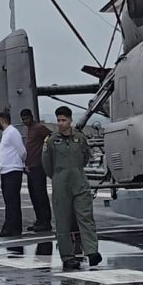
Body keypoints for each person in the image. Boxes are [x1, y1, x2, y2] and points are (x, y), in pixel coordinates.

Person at [42, 105, 102, 270]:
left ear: (70, 120)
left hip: (79, 182)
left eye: (63, 120)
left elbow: (85, 157)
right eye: (58, 120)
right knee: (63, 221)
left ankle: (92, 252)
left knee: (86, 217)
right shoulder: (51, 141)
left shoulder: (80, 138)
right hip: (61, 184)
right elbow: (46, 164)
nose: (60, 123)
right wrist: (57, 177)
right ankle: (67, 256)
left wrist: (75, 172)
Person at [21, 108, 52, 232]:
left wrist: (45, 154)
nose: (25, 121)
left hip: (38, 166)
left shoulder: (39, 128)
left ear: (31, 117)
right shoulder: (29, 129)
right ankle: (39, 219)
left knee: (40, 195)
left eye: (26, 118)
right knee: (33, 195)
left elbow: (51, 136)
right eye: (23, 119)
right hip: (30, 167)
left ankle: (45, 221)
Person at [0, 110, 26, 237]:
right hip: (6, 170)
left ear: (3, 120)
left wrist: (20, 162)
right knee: (10, 201)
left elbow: (22, 151)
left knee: (11, 201)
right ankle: (12, 227)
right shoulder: (6, 133)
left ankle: (11, 228)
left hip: (12, 170)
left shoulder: (12, 132)